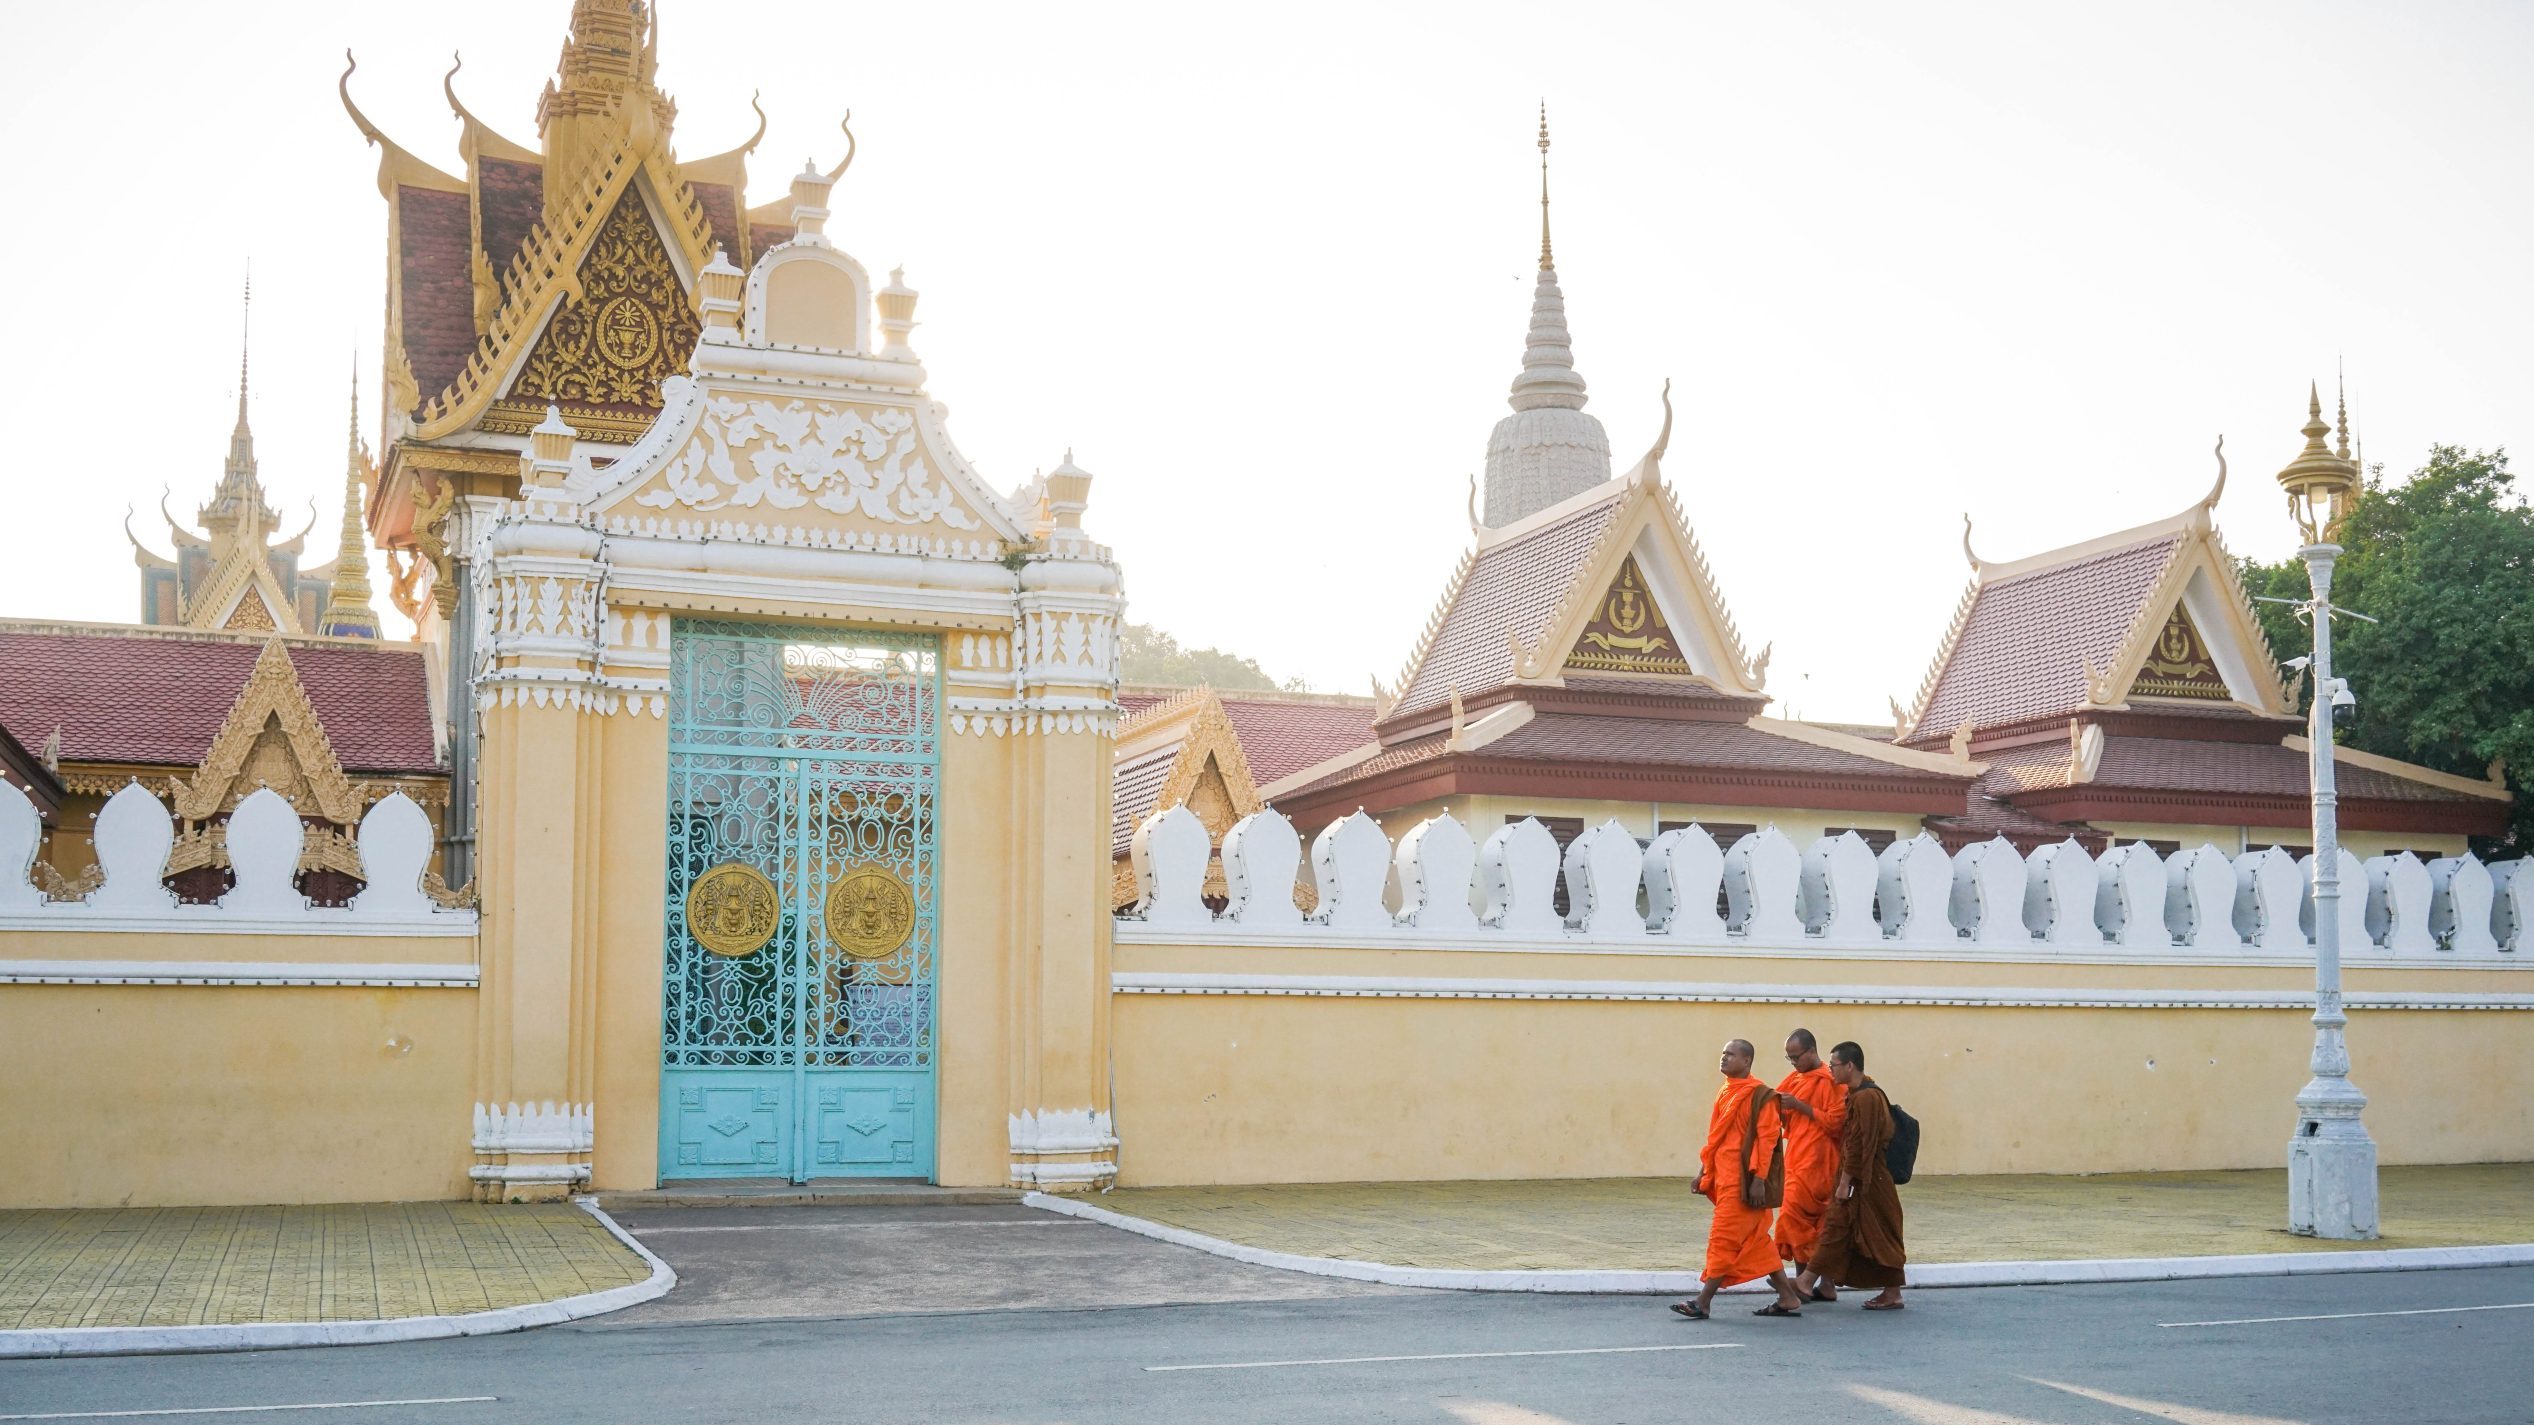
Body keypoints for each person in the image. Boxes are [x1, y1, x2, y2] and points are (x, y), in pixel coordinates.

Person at [1671, 1038, 1807, 1320]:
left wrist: (1758, 1179)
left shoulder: (1760, 1095)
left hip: (1743, 1182)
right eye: (1723, 1053)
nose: (1724, 1058)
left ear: (1747, 1061)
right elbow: (1716, 1137)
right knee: (1757, 1242)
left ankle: (1703, 1301)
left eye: (1731, 1054)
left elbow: (1767, 1140)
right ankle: (1788, 1296)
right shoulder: (1726, 1090)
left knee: (1724, 1239)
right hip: (1723, 1175)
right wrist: (1703, 1172)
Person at [1798, 1041, 1905, 1310]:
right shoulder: (1858, 1093)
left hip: (1868, 1179)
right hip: (1862, 1177)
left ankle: (1892, 1293)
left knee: (1881, 1233)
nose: (1830, 1070)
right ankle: (1807, 1281)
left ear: (1849, 1066)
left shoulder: (1866, 1098)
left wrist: (1846, 1182)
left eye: (1834, 1065)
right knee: (1837, 1228)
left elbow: (1860, 1145)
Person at [1772, 1027, 1849, 1296]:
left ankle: (1813, 1283)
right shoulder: (1796, 1079)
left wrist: (1799, 1106)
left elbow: (1836, 1123)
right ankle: (1815, 1284)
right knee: (1798, 1219)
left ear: (1812, 1051)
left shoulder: (1831, 1080)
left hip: (1823, 1160)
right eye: (1789, 1058)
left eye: (1796, 1057)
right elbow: (1778, 1109)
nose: (1793, 1063)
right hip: (1798, 1157)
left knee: (1812, 1220)